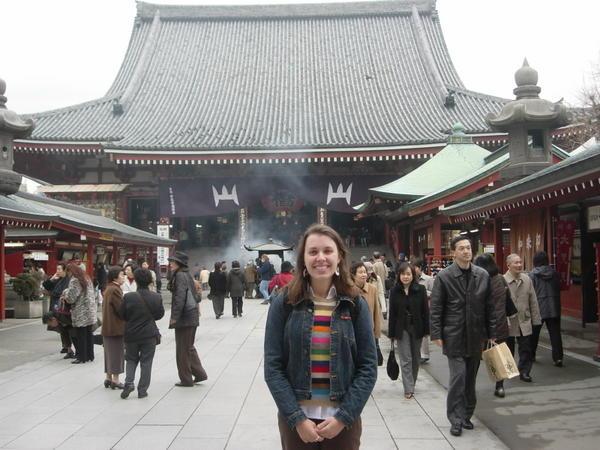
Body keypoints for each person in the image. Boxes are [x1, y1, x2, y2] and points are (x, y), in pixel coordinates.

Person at [264, 224, 377, 449]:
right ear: (303, 258)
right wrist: (296, 418)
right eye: (313, 252)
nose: (321, 258)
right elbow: (273, 367)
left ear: (339, 256)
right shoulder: (285, 302)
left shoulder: (354, 303)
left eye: (328, 251)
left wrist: (343, 418)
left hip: (342, 422)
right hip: (296, 423)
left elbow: (368, 367)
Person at [430, 236, 495, 437]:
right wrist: (436, 333)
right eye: (461, 248)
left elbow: (490, 307)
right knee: (458, 377)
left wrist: (492, 333)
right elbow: (436, 307)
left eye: (468, 248)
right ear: (453, 252)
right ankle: (455, 419)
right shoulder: (445, 276)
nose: (466, 251)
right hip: (454, 334)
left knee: (470, 379)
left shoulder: (482, 275)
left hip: (476, 335)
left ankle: (467, 415)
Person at [473, 254, 518, 398]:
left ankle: (470, 386)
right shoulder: (501, 279)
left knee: (474, 358)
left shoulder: (477, 280)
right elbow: (508, 300)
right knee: (498, 357)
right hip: (499, 324)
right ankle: (499, 387)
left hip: (479, 325)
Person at [120, 268, 165, 399]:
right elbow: (160, 314)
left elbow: (122, 314)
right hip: (149, 334)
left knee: (131, 359)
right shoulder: (156, 297)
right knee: (146, 361)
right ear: (150, 281)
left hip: (131, 333)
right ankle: (142, 389)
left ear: (136, 280)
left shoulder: (128, 297)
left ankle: (128, 383)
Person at [388, 262, 429, 399]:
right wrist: (391, 333)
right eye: (403, 274)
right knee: (406, 358)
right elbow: (392, 313)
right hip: (401, 328)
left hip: (417, 326)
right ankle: (408, 388)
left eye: (408, 274)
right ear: (399, 275)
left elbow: (425, 311)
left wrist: (427, 330)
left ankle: (412, 383)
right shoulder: (394, 291)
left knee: (416, 358)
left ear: (413, 275)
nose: (405, 277)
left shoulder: (421, 289)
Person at [168, 251, 207, 387]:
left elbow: (180, 298)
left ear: (179, 263)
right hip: (191, 315)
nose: (170, 264)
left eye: (173, 261)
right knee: (188, 347)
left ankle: (186, 379)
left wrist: (175, 317)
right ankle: (200, 374)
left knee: (182, 349)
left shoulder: (180, 276)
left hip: (185, 317)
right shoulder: (186, 275)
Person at [504, 253, 542, 383]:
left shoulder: (527, 279)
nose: (519, 265)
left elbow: (533, 301)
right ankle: (508, 370)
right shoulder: (502, 280)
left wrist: (536, 319)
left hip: (524, 319)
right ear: (508, 265)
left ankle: (524, 371)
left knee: (526, 347)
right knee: (508, 348)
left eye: (520, 262)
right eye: (516, 262)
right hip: (508, 321)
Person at [529, 251, 564, 367]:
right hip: (554, 306)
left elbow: (530, 291)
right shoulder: (554, 273)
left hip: (538, 307)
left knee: (534, 333)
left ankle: (531, 355)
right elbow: (559, 287)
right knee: (555, 334)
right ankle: (558, 358)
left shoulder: (532, 275)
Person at [62, 263, 97, 364]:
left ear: (70, 271)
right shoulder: (86, 277)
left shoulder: (74, 280)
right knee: (89, 334)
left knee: (80, 335)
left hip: (80, 311)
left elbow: (71, 298)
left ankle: (82, 357)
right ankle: (90, 355)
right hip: (89, 310)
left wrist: (65, 293)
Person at [350, 261, 383, 365]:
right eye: (360, 272)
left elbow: (376, 312)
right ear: (353, 275)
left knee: (368, 362)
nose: (364, 274)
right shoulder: (348, 290)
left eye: (365, 272)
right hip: (352, 332)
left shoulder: (372, 289)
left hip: (369, 332)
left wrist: (377, 333)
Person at [102, 266, 126, 390]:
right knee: (117, 353)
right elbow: (120, 309)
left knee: (108, 353)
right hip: (115, 327)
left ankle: (108, 377)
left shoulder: (108, 288)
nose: (124, 277)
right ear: (115, 277)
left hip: (107, 327)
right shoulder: (116, 289)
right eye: (122, 275)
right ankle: (115, 380)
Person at [42, 262, 74, 358]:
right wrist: (52, 279)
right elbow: (46, 286)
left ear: (65, 270)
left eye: (59, 269)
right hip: (55, 306)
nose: (57, 271)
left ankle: (69, 348)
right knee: (61, 328)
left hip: (63, 308)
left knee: (65, 328)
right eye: (57, 269)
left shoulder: (68, 280)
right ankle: (66, 346)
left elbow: (63, 293)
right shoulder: (57, 279)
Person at [412, 258, 434, 364]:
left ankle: (425, 354)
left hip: (425, 307)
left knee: (424, 333)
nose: (413, 269)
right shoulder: (411, 279)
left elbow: (434, 293)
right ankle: (417, 353)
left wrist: (424, 292)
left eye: (415, 267)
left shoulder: (428, 279)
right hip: (413, 308)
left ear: (420, 268)